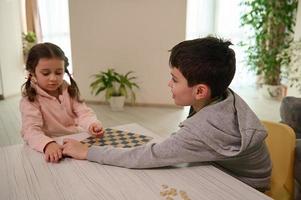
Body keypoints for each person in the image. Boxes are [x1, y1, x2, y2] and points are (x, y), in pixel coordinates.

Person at [62, 36, 272, 191]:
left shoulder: (203, 130)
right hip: (242, 174)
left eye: (175, 79)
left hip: (245, 187)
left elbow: (147, 156)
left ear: (200, 91)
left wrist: (87, 152)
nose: (168, 83)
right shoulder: (222, 95)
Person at [20, 42, 104, 163]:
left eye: (59, 72)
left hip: (75, 140)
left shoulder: (68, 89)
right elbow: (30, 131)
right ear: (32, 73)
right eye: (45, 73)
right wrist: (48, 144)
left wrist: (92, 124)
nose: (53, 78)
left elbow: (83, 113)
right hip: (50, 147)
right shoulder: (30, 99)